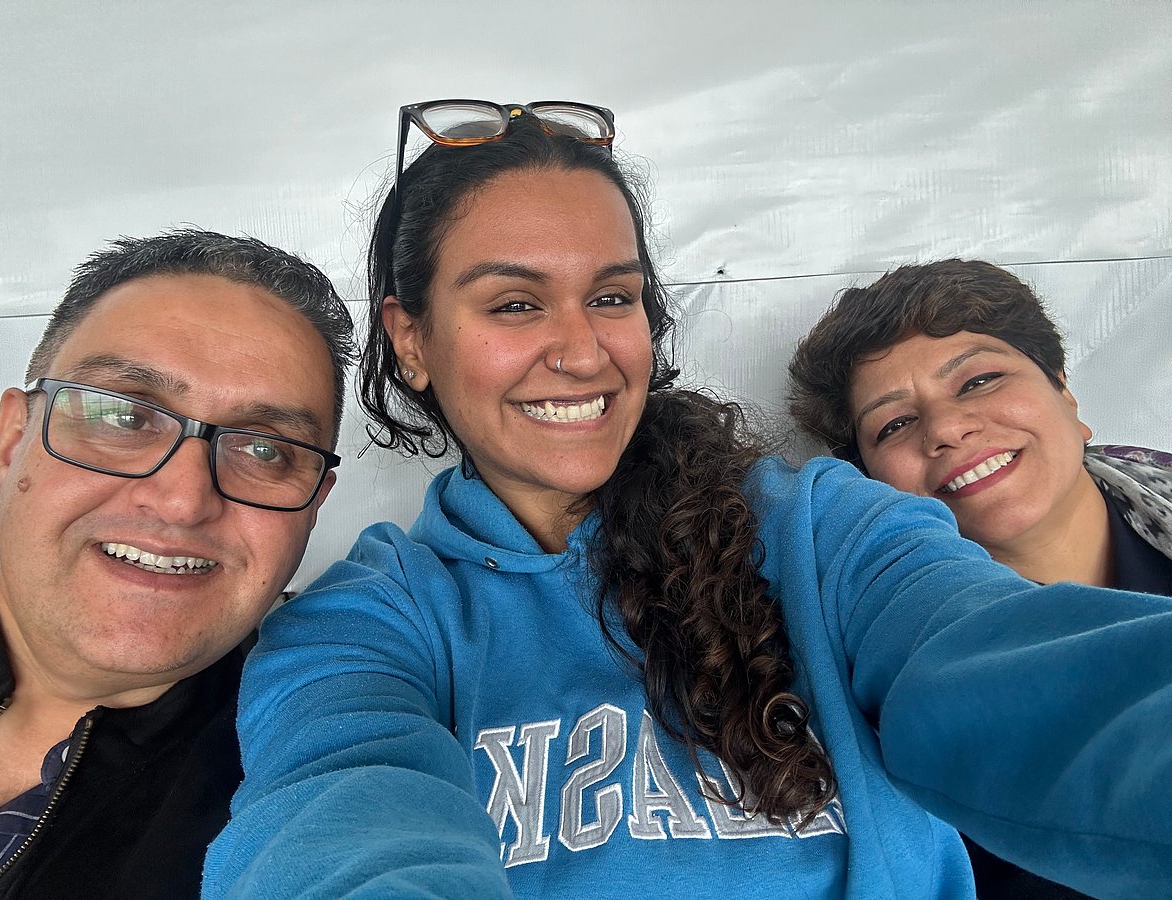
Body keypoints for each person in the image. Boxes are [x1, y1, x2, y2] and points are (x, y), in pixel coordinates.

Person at [204, 103, 1172, 899]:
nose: (583, 351)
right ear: (410, 339)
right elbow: (339, 821)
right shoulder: (359, 625)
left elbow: (1010, 668)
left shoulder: (820, 530)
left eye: (614, 298)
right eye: (514, 303)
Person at [0, 229, 355, 899]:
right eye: (122, 416)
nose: (183, 501)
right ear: (11, 444)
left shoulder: (303, 773)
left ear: (313, 507)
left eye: (266, 450)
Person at [785, 258, 1172, 897]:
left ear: (1067, 397)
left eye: (979, 380)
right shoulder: (870, 679)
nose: (947, 428)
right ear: (869, 487)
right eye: (896, 424)